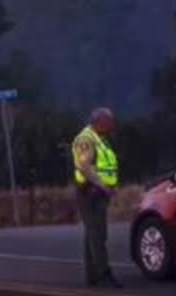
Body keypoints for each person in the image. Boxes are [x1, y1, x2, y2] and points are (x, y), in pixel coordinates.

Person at [72, 107, 122, 288]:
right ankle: (103, 274)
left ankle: (92, 276)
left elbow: (105, 166)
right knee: (98, 235)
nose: (113, 125)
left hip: (99, 193)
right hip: (90, 193)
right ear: (99, 121)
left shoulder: (102, 139)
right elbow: (85, 167)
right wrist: (102, 186)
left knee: (92, 235)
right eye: (110, 122)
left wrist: (111, 186)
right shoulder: (86, 139)